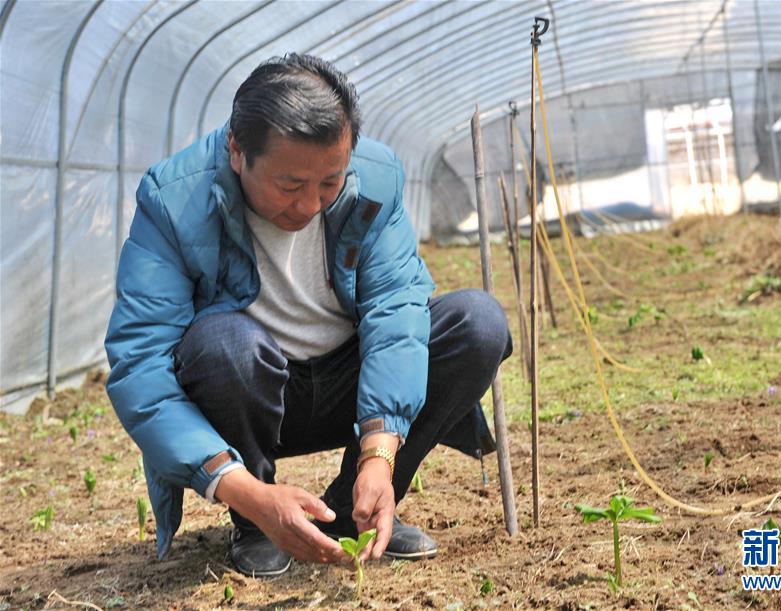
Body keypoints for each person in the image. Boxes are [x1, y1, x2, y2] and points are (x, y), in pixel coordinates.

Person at [104, 53, 511, 577]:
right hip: (250, 394)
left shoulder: (375, 178)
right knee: (223, 344)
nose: (311, 205)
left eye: (329, 183)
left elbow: (395, 313)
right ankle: (258, 521)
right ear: (237, 150)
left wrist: (379, 456)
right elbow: (141, 365)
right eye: (290, 186)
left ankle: (350, 511)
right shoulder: (174, 199)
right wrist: (245, 492)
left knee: (477, 324)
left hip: (350, 388)